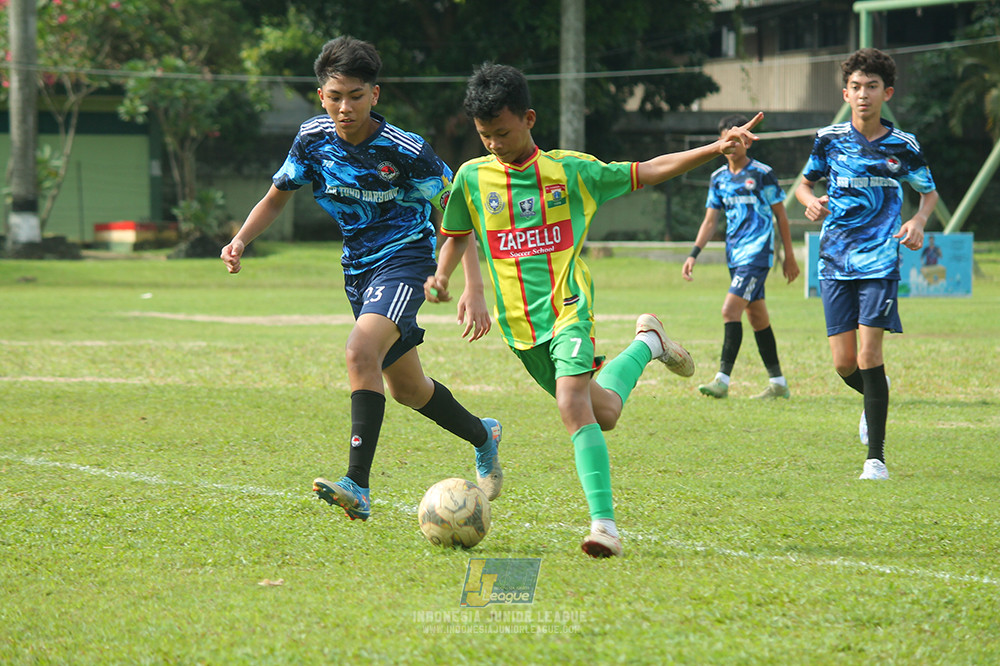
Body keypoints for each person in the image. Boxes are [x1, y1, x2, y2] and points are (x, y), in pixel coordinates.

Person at [425, 62, 761, 557]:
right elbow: (457, 233)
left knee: (570, 404)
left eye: (502, 132)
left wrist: (714, 149)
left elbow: (647, 170)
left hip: (569, 308)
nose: (494, 143)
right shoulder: (473, 177)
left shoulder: (571, 171)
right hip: (521, 328)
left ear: (529, 119)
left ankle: (604, 527)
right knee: (603, 413)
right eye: (484, 135)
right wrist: (444, 277)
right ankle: (649, 343)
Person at [220, 36, 504, 521]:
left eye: (355, 96)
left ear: (375, 94)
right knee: (408, 389)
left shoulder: (406, 150)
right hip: (357, 270)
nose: (345, 107)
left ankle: (358, 484)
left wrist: (472, 286)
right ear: (321, 97)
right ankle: (484, 434)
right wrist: (241, 239)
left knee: (359, 351)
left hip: (407, 260)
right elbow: (276, 195)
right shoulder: (312, 139)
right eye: (335, 97)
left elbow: (459, 214)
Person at [795, 48, 938, 481]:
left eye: (871, 87)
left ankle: (875, 460)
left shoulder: (903, 146)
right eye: (856, 87)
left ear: (886, 93)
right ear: (845, 93)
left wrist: (918, 220)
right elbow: (804, 184)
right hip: (834, 260)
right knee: (844, 363)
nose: (863, 94)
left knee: (869, 353)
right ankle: (877, 390)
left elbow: (928, 192)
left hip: (880, 260)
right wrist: (810, 202)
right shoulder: (829, 139)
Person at [683, 114, 800, 400]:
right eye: (728, 138)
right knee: (757, 317)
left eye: (738, 139)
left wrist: (789, 255)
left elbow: (781, 216)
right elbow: (710, 221)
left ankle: (722, 380)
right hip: (734, 256)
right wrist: (694, 254)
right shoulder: (718, 179)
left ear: (747, 141)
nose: (733, 144)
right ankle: (778, 384)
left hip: (757, 254)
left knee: (729, 310)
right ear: (720, 141)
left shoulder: (762, 173)